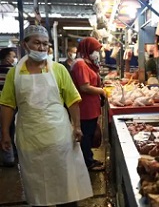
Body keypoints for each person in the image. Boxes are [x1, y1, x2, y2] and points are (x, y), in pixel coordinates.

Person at [0, 25, 93, 207]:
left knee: (65, 185)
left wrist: (77, 126)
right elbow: (8, 104)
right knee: (37, 186)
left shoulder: (58, 70)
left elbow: (73, 100)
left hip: (58, 137)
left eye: (45, 44)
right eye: (37, 43)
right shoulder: (15, 73)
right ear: (25, 45)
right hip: (30, 139)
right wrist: (4, 133)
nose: (42, 48)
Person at [71, 37, 105, 171]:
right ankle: (87, 163)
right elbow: (84, 87)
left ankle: (88, 159)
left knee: (89, 134)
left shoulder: (86, 63)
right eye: (96, 50)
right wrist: (101, 91)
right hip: (85, 107)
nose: (97, 53)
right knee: (85, 136)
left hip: (91, 106)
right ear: (88, 49)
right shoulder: (80, 64)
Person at [0, 48, 17, 167]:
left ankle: (7, 156)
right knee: (10, 130)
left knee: (2, 130)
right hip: (8, 105)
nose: (14, 59)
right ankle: (10, 157)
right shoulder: (12, 71)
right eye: (12, 56)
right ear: (6, 57)